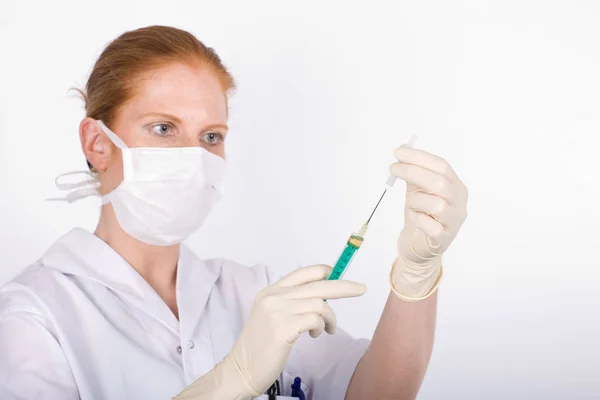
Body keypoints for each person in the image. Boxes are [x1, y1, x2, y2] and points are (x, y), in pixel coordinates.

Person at [0, 25, 468, 400]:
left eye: (211, 136)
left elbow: (374, 394)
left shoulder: (253, 293)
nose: (194, 156)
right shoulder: (35, 316)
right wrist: (234, 380)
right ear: (98, 144)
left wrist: (416, 276)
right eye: (164, 128)